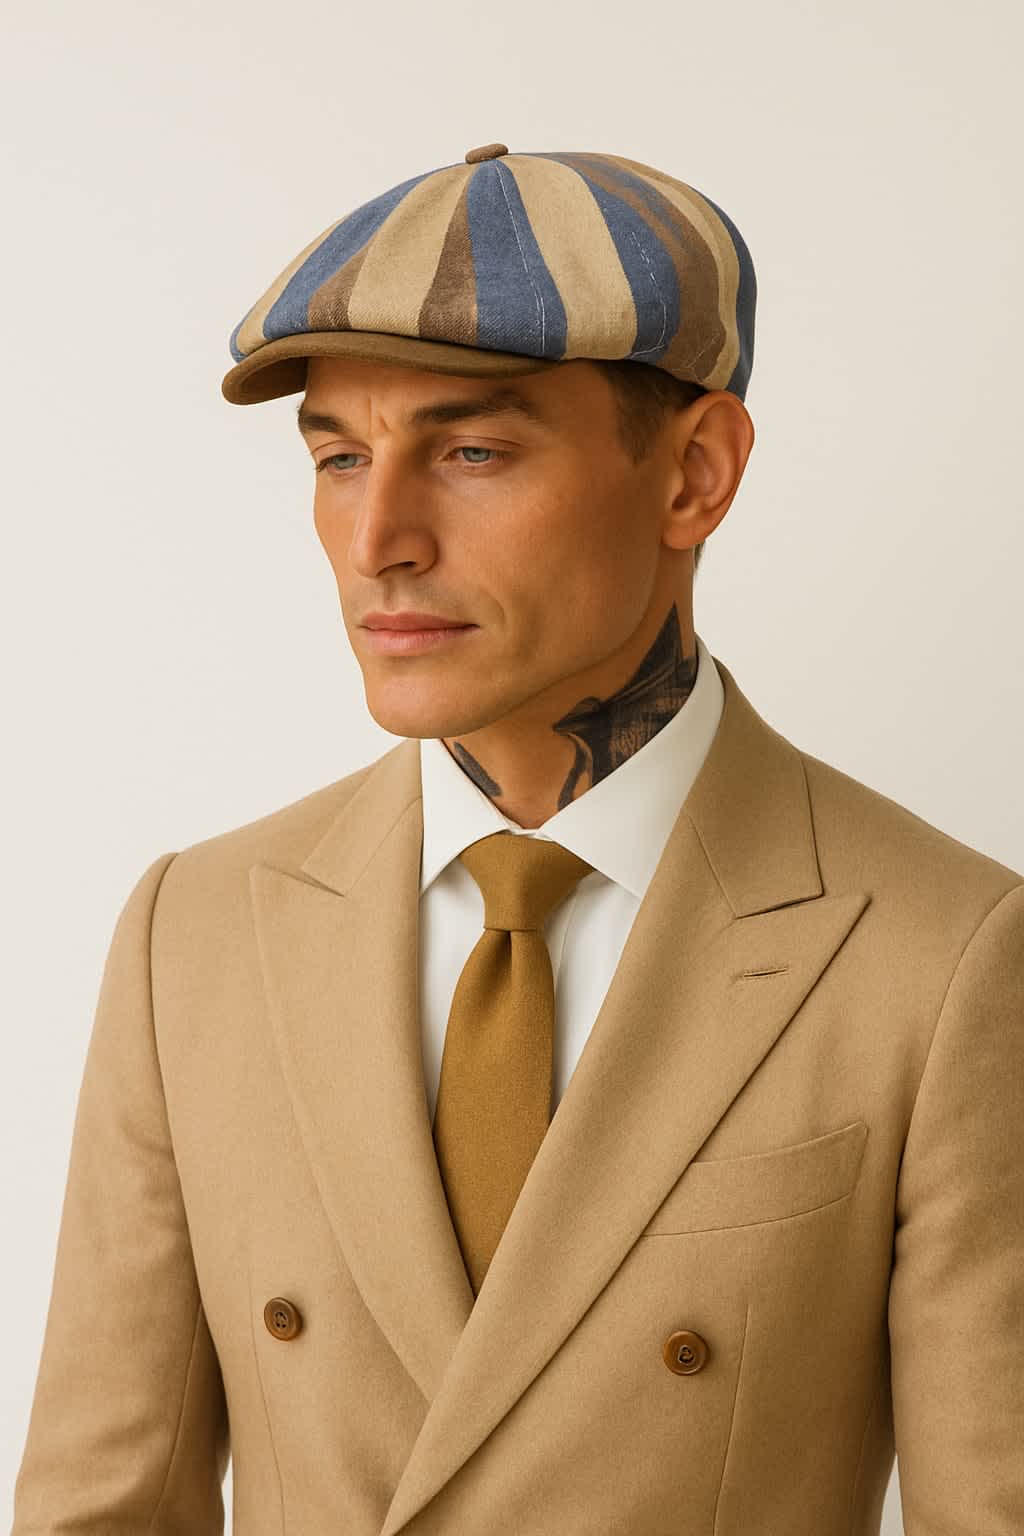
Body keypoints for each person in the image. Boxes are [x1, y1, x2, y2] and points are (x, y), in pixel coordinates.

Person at [11, 142, 1023, 1536]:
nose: (379, 538)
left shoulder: (944, 956)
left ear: (695, 474)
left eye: (471, 451)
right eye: (339, 457)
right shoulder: (197, 930)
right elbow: (100, 1509)